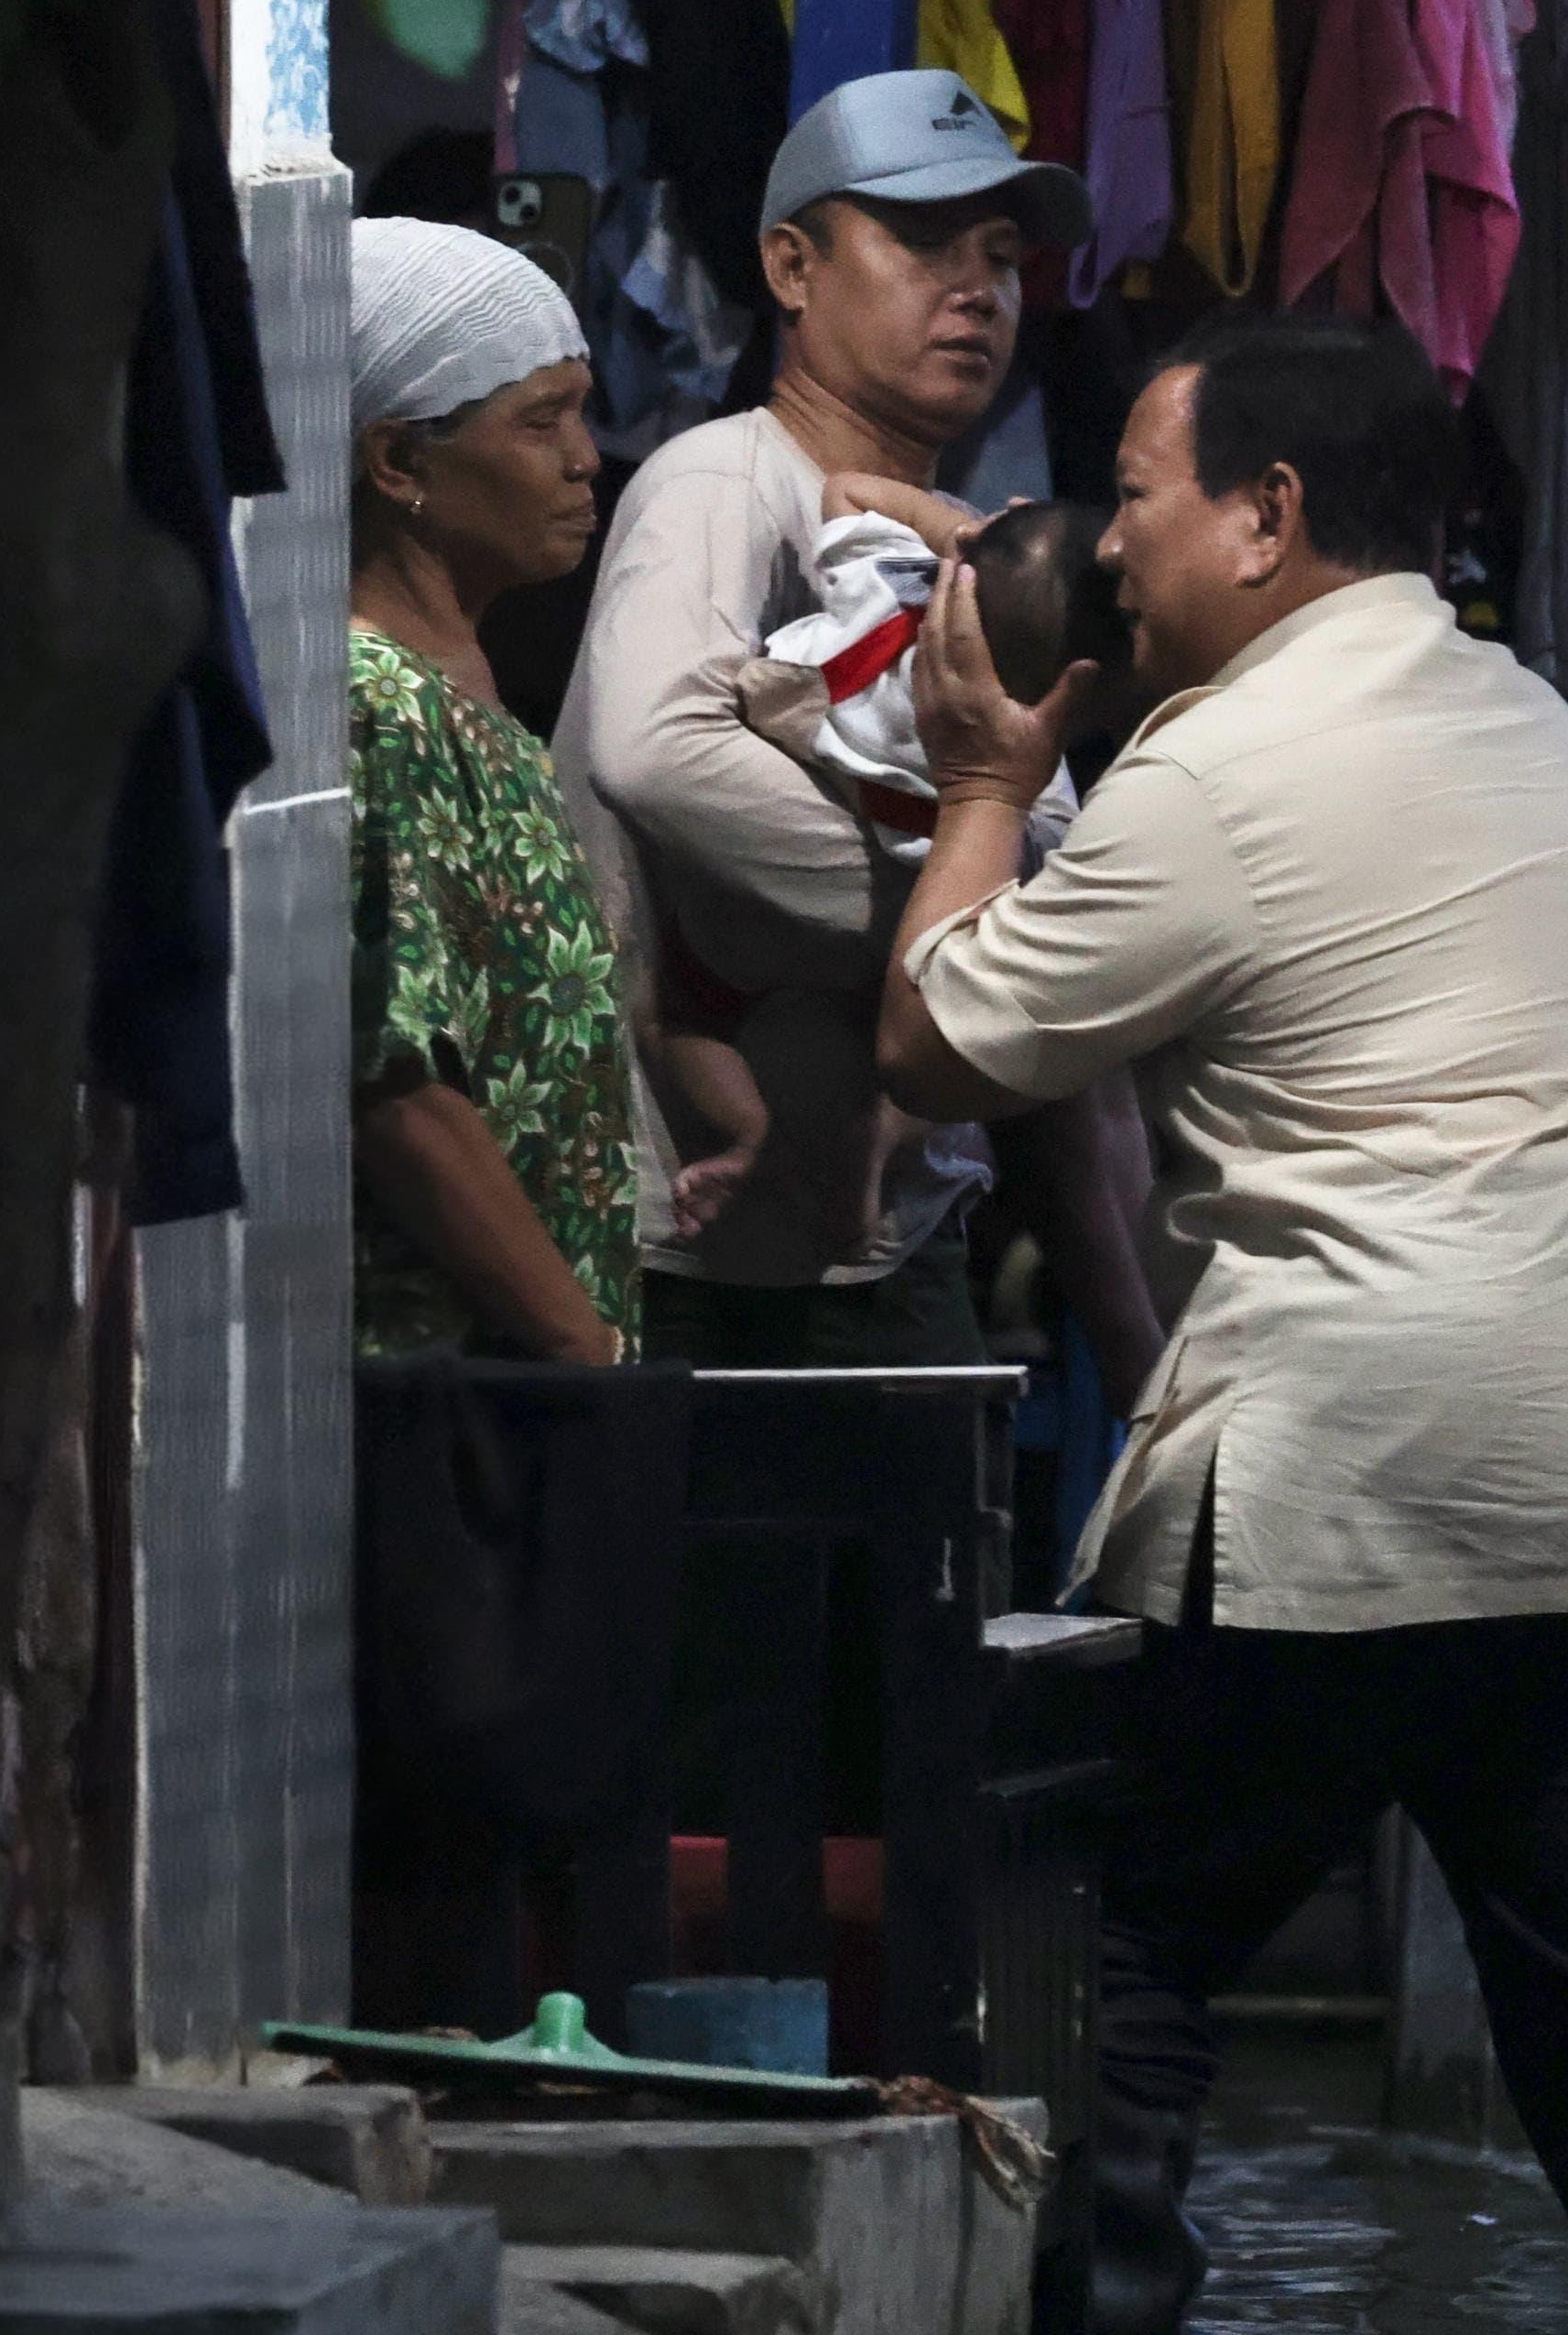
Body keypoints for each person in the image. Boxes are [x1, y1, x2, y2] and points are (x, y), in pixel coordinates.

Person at [877, 312, 1568, 2335]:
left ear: (1266, 516)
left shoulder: (1217, 776)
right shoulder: (1522, 716)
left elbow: (939, 1040)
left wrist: (975, 787)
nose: (1112, 543)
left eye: (1134, 490)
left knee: (1111, 1982)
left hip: (1383, 1453)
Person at [560, 68, 1162, 1391]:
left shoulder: (979, 546)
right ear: (791, 265)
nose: (977, 289)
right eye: (923, 241)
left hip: (900, 1246)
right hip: (708, 1271)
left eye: (1002, 256)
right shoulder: (725, 484)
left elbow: (1029, 824)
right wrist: (947, 942)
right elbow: (655, 753)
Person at [652, 475, 1135, 1251]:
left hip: (732, 897)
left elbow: (846, 491)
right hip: (862, 951)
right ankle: (874, 1143)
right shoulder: (972, 771)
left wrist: (956, 535)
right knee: (946, 1031)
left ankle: (749, 1136)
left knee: (675, 1017)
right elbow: (964, 893)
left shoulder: (888, 590)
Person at [343, 218, 633, 1364]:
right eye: (540, 421)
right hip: (449, 1389)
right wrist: (586, 1352)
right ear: (399, 463)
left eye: (580, 411)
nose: (586, 457)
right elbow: (397, 1085)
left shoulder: (468, 699)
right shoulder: (371, 704)